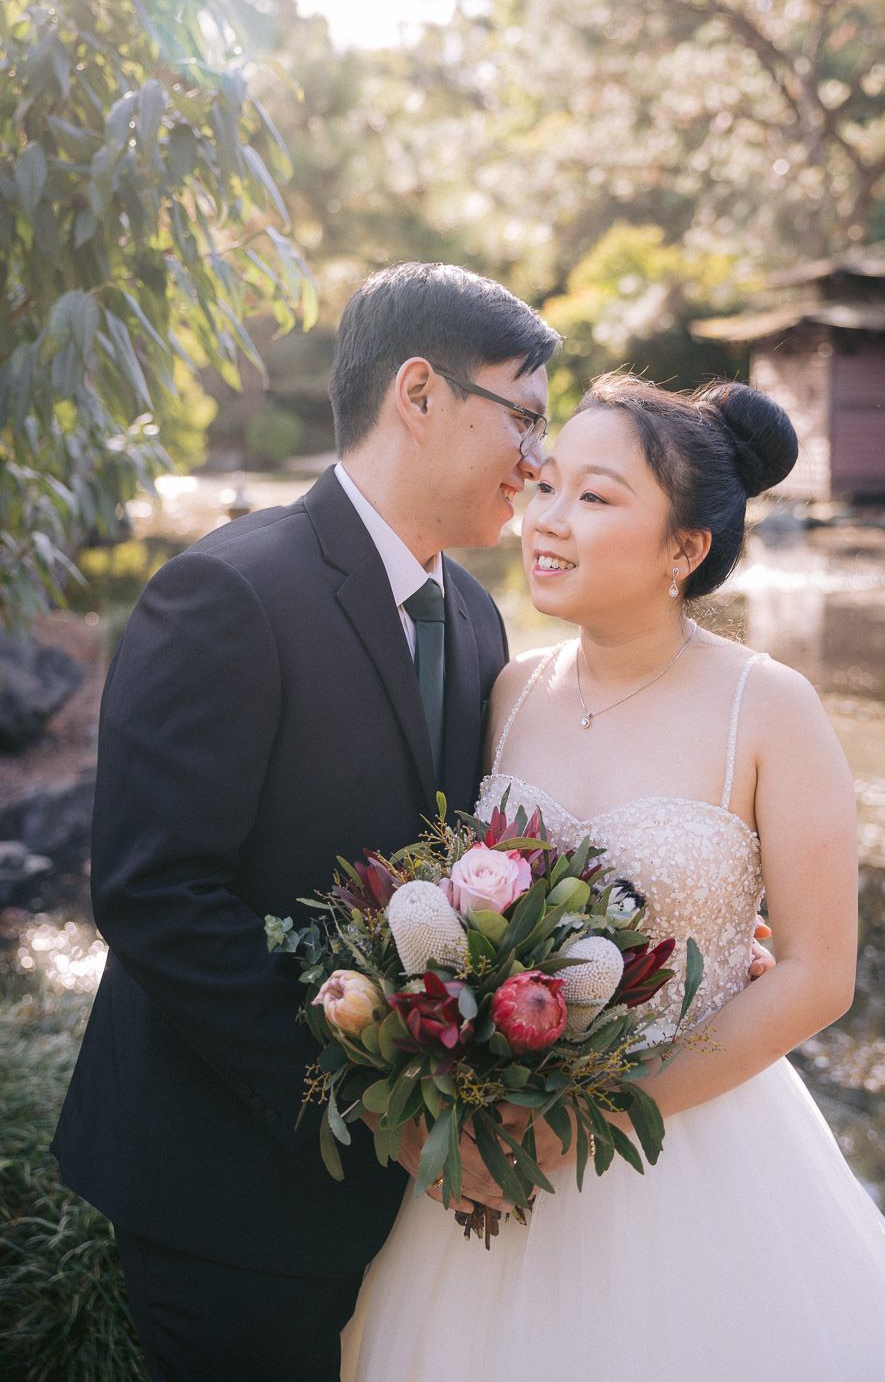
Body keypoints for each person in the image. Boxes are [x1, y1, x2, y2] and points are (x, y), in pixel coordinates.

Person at [342, 375, 885, 1381]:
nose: (546, 519)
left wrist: (584, 1117)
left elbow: (817, 974)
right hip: (500, 1150)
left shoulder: (767, 709)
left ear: (686, 548)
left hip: (689, 1145)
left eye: (595, 497)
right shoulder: (511, 688)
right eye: (545, 486)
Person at [50, 262, 560, 1381]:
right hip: (224, 1184)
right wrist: (380, 1110)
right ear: (418, 395)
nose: (539, 458)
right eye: (522, 415)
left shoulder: (474, 616)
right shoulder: (227, 591)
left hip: (404, 1203)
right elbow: (154, 894)